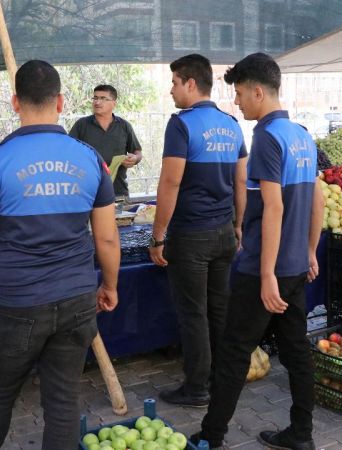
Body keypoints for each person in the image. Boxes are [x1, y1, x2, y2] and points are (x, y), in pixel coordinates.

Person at [0, 60, 120, 450]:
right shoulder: (89, 159)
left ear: (15, 102)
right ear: (62, 102)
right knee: (63, 402)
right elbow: (107, 240)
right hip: (76, 301)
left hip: (18, 305)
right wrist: (110, 285)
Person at [190, 53, 322, 450]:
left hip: (264, 270)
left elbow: (274, 208)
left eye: (241, 93)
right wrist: (311, 251)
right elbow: (318, 199)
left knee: (233, 353)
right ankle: (302, 433)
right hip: (296, 265)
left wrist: (266, 275)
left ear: (259, 91)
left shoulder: (267, 136)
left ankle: (210, 437)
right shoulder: (301, 134)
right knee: (297, 350)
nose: (238, 101)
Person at [149, 54, 246, 408]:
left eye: (174, 82)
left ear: (191, 83)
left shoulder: (182, 124)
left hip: (191, 236)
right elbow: (240, 182)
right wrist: (237, 226)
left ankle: (196, 388)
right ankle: (222, 378)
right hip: (223, 233)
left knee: (193, 313)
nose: (171, 89)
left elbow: (170, 183)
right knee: (218, 309)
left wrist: (158, 236)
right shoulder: (231, 123)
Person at [69, 84, 143, 197]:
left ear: (114, 103)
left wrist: (135, 158)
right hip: (87, 191)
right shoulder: (81, 125)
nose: (97, 102)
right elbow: (68, 152)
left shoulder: (124, 126)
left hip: (117, 191)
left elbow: (137, 152)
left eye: (103, 98)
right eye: (95, 98)